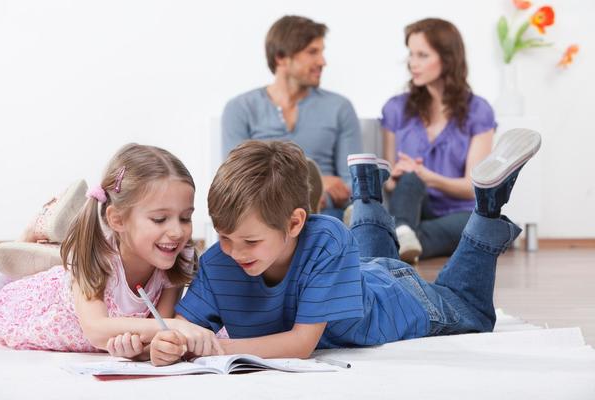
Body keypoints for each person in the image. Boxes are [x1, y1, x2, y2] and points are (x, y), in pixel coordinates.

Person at [148, 128, 541, 364]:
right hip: (359, 275)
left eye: (250, 241)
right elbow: (185, 325)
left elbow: (301, 344)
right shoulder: (219, 261)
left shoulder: (326, 239)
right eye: (224, 237)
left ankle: (487, 207)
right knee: (369, 258)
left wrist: (215, 348)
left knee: (472, 312)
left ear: (294, 223)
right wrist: (170, 342)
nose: (235, 251)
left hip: (399, 297)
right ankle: (366, 192)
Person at [0, 143, 222, 358]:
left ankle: (52, 247)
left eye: (185, 218)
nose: (177, 232)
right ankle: (32, 235)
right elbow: (96, 329)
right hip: (38, 307)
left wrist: (142, 352)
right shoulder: (96, 257)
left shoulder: (178, 258)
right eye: (160, 219)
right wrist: (176, 326)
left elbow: (158, 332)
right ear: (118, 219)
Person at [221, 15, 362, 220]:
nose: (322, 61)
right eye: (312, 52)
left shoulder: (340, 107)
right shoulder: (240, 108)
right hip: (264, 211)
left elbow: (353, 183)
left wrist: (326, 195)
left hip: (325, 213)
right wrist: (314, 184)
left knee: (332, 222)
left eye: (322, 52)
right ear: (281, 57)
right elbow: (235, 181)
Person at [381, 18, 496, 263]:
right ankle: (402, 233)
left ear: (448, 59)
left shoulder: (478, 111)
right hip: (411, 207)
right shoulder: (396, 109)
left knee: (478, 227)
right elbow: (388, 182)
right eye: (411, 54)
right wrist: (398, 176)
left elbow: (473, 188)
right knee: (410, 179)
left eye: (422, 55)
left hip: (457, 213)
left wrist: (428, 176)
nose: (413, 63)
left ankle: (397, 239)